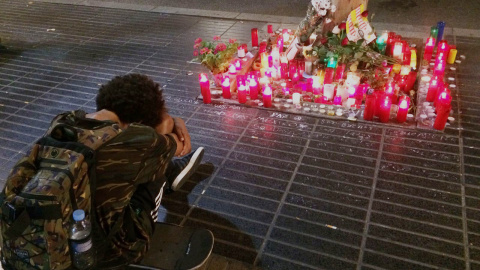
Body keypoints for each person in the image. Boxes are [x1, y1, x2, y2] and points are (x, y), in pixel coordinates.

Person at [86, 73, 204, 267]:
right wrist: (171, 124)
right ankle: (169, 174)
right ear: (140, 124)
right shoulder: (137, 143)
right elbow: (179, 144)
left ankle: (171, 172)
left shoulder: (65, 124)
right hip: (110, 253)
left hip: (47, 242)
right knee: (157, 154)